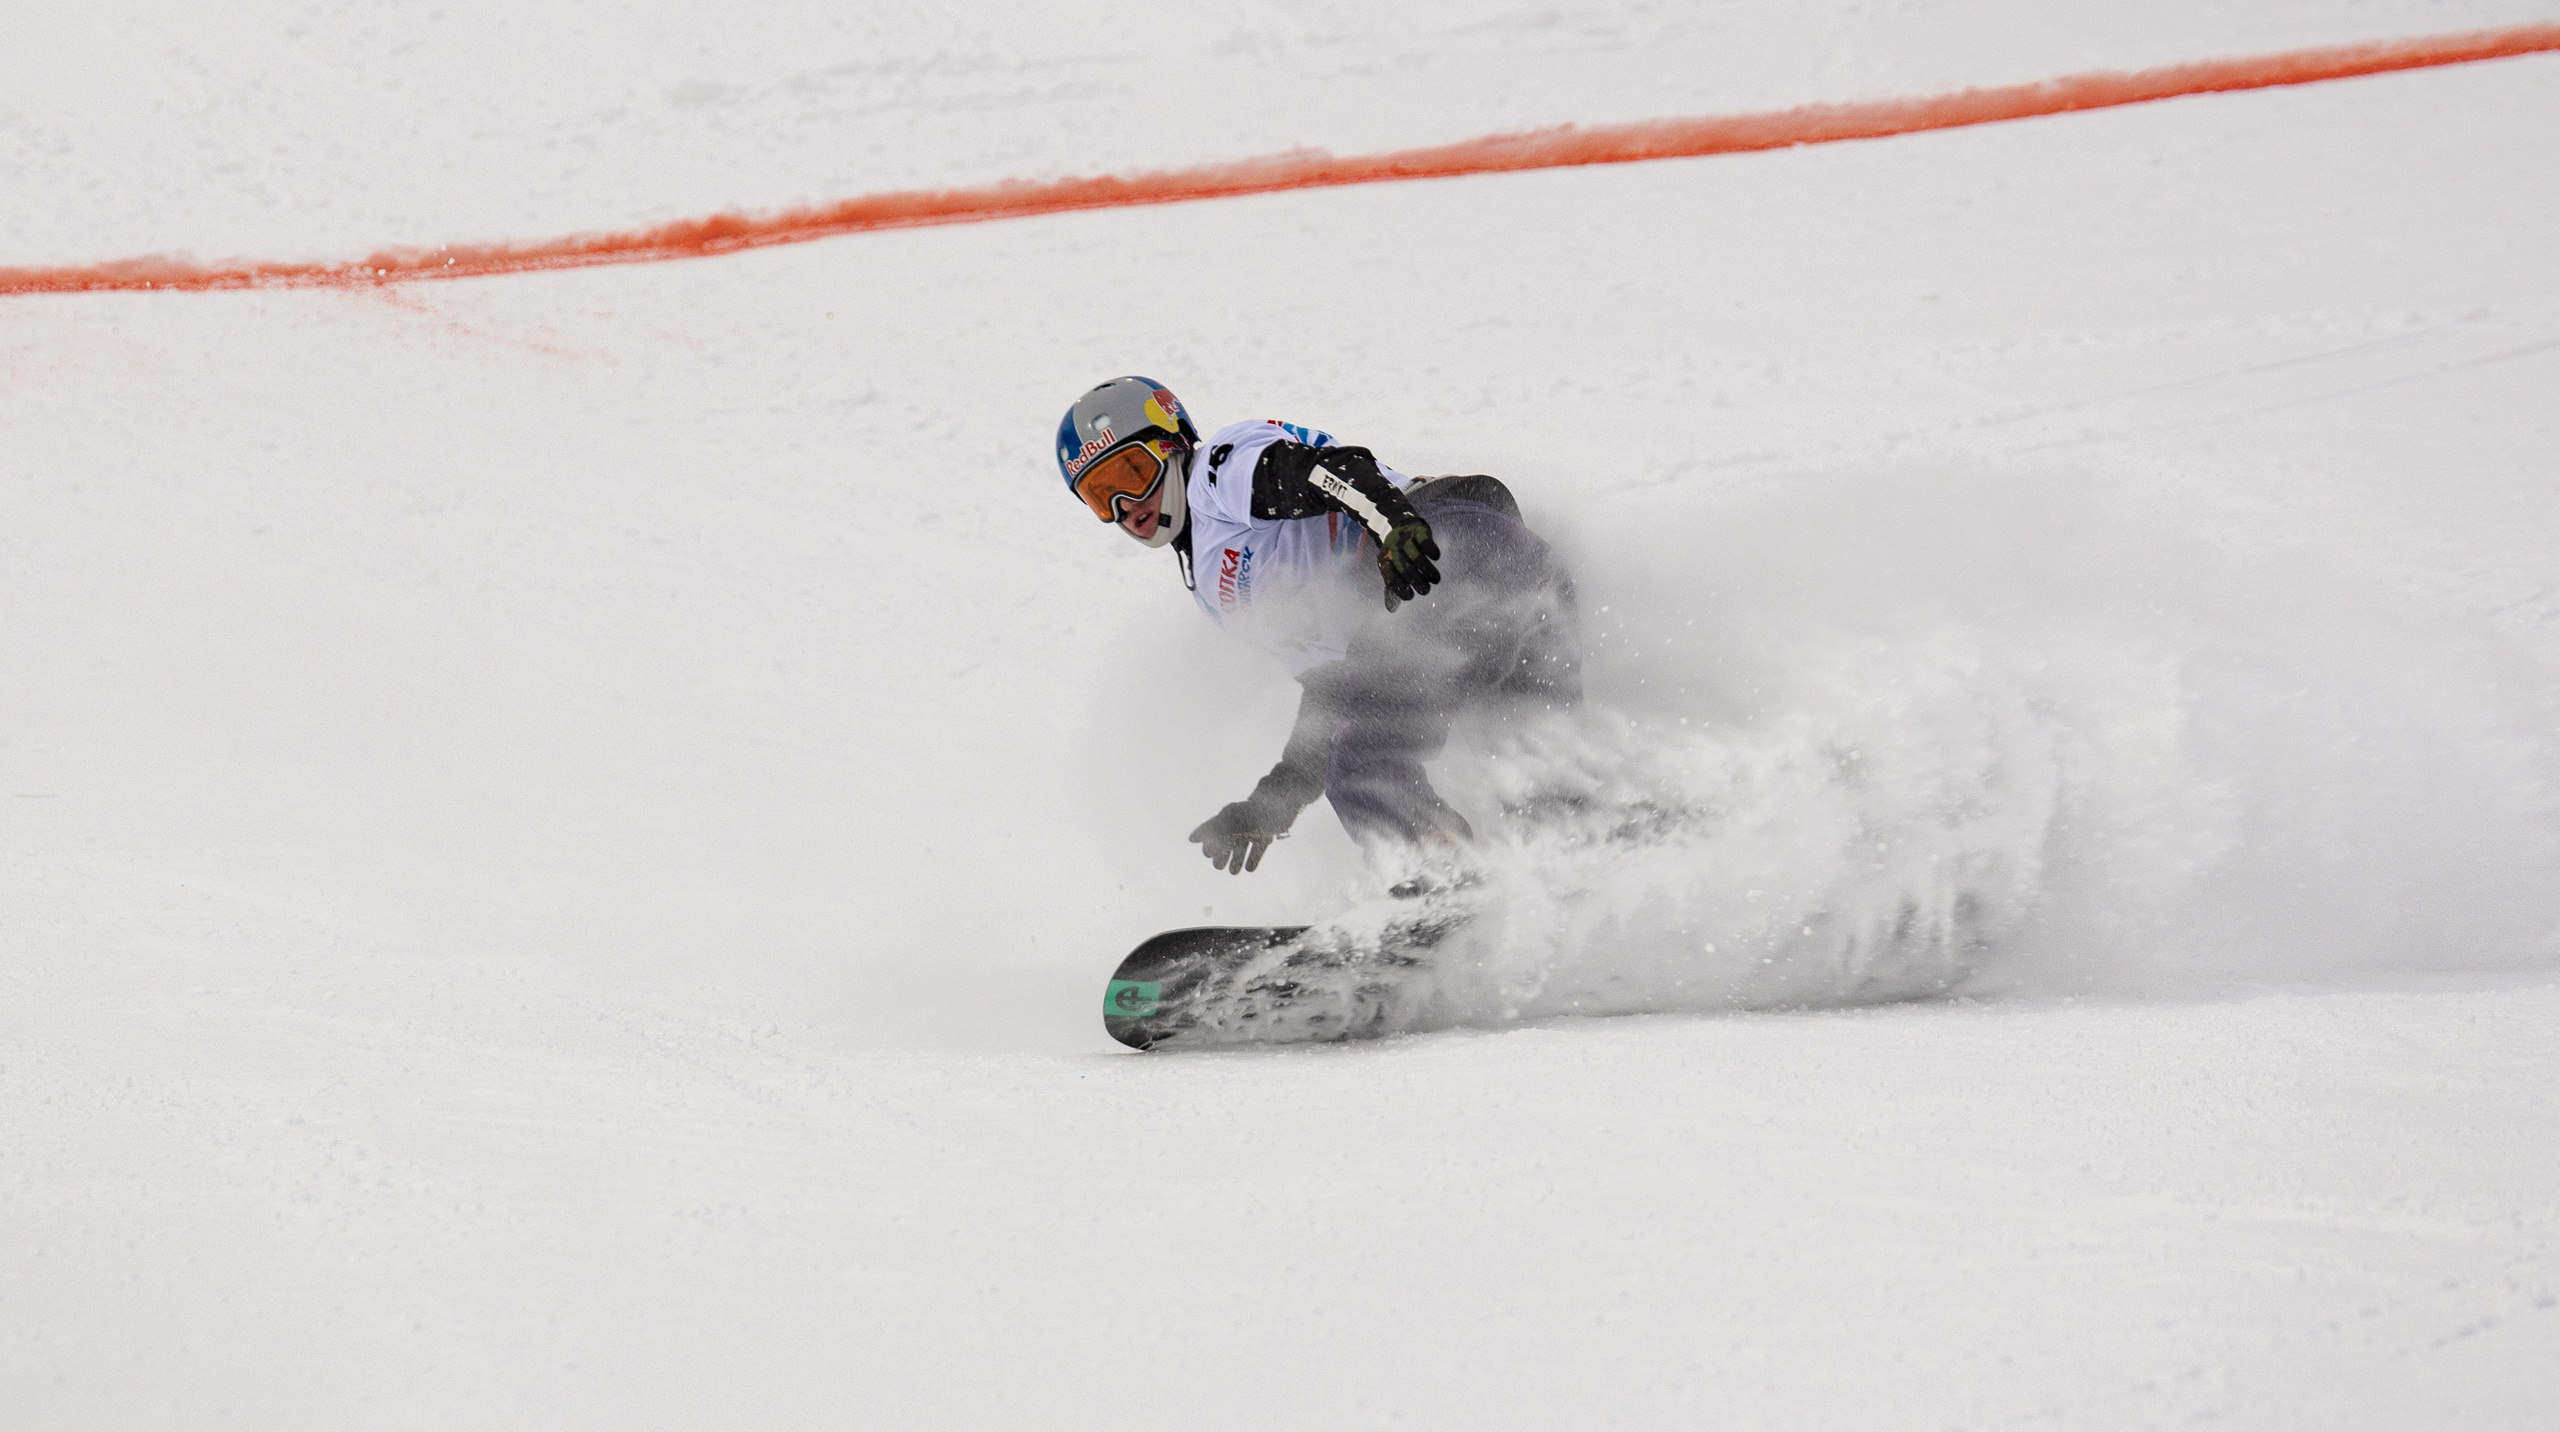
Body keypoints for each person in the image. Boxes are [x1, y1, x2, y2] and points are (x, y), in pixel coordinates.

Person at [1055, 376, 1579, 877]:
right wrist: (1273, 800)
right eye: (1102, 497)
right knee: (1528, 770)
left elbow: (1322, 472)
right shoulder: (1214, 591)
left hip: (1450, 553)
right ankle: (1574, 868)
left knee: (1366, 770)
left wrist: (1394, 525)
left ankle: (1441, 889)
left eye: (1130, 474)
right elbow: (1336, 694)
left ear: (1173, 443)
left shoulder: (1216, 474)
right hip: (1513, 591)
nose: (1127, 507)